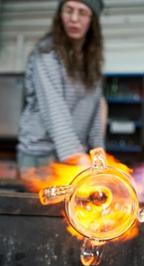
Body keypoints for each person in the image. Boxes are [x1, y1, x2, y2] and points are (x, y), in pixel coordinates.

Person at [17, 0, 106, 173]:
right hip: (41, 157)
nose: (74, 18)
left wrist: (98, 154)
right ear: (60, 14)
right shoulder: (46, 53)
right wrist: (77, 158)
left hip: (71, 154)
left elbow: (93, 110)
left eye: (82, 13)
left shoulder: (91, 60)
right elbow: (53, 109)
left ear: (92, 20)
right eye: (69, 10)